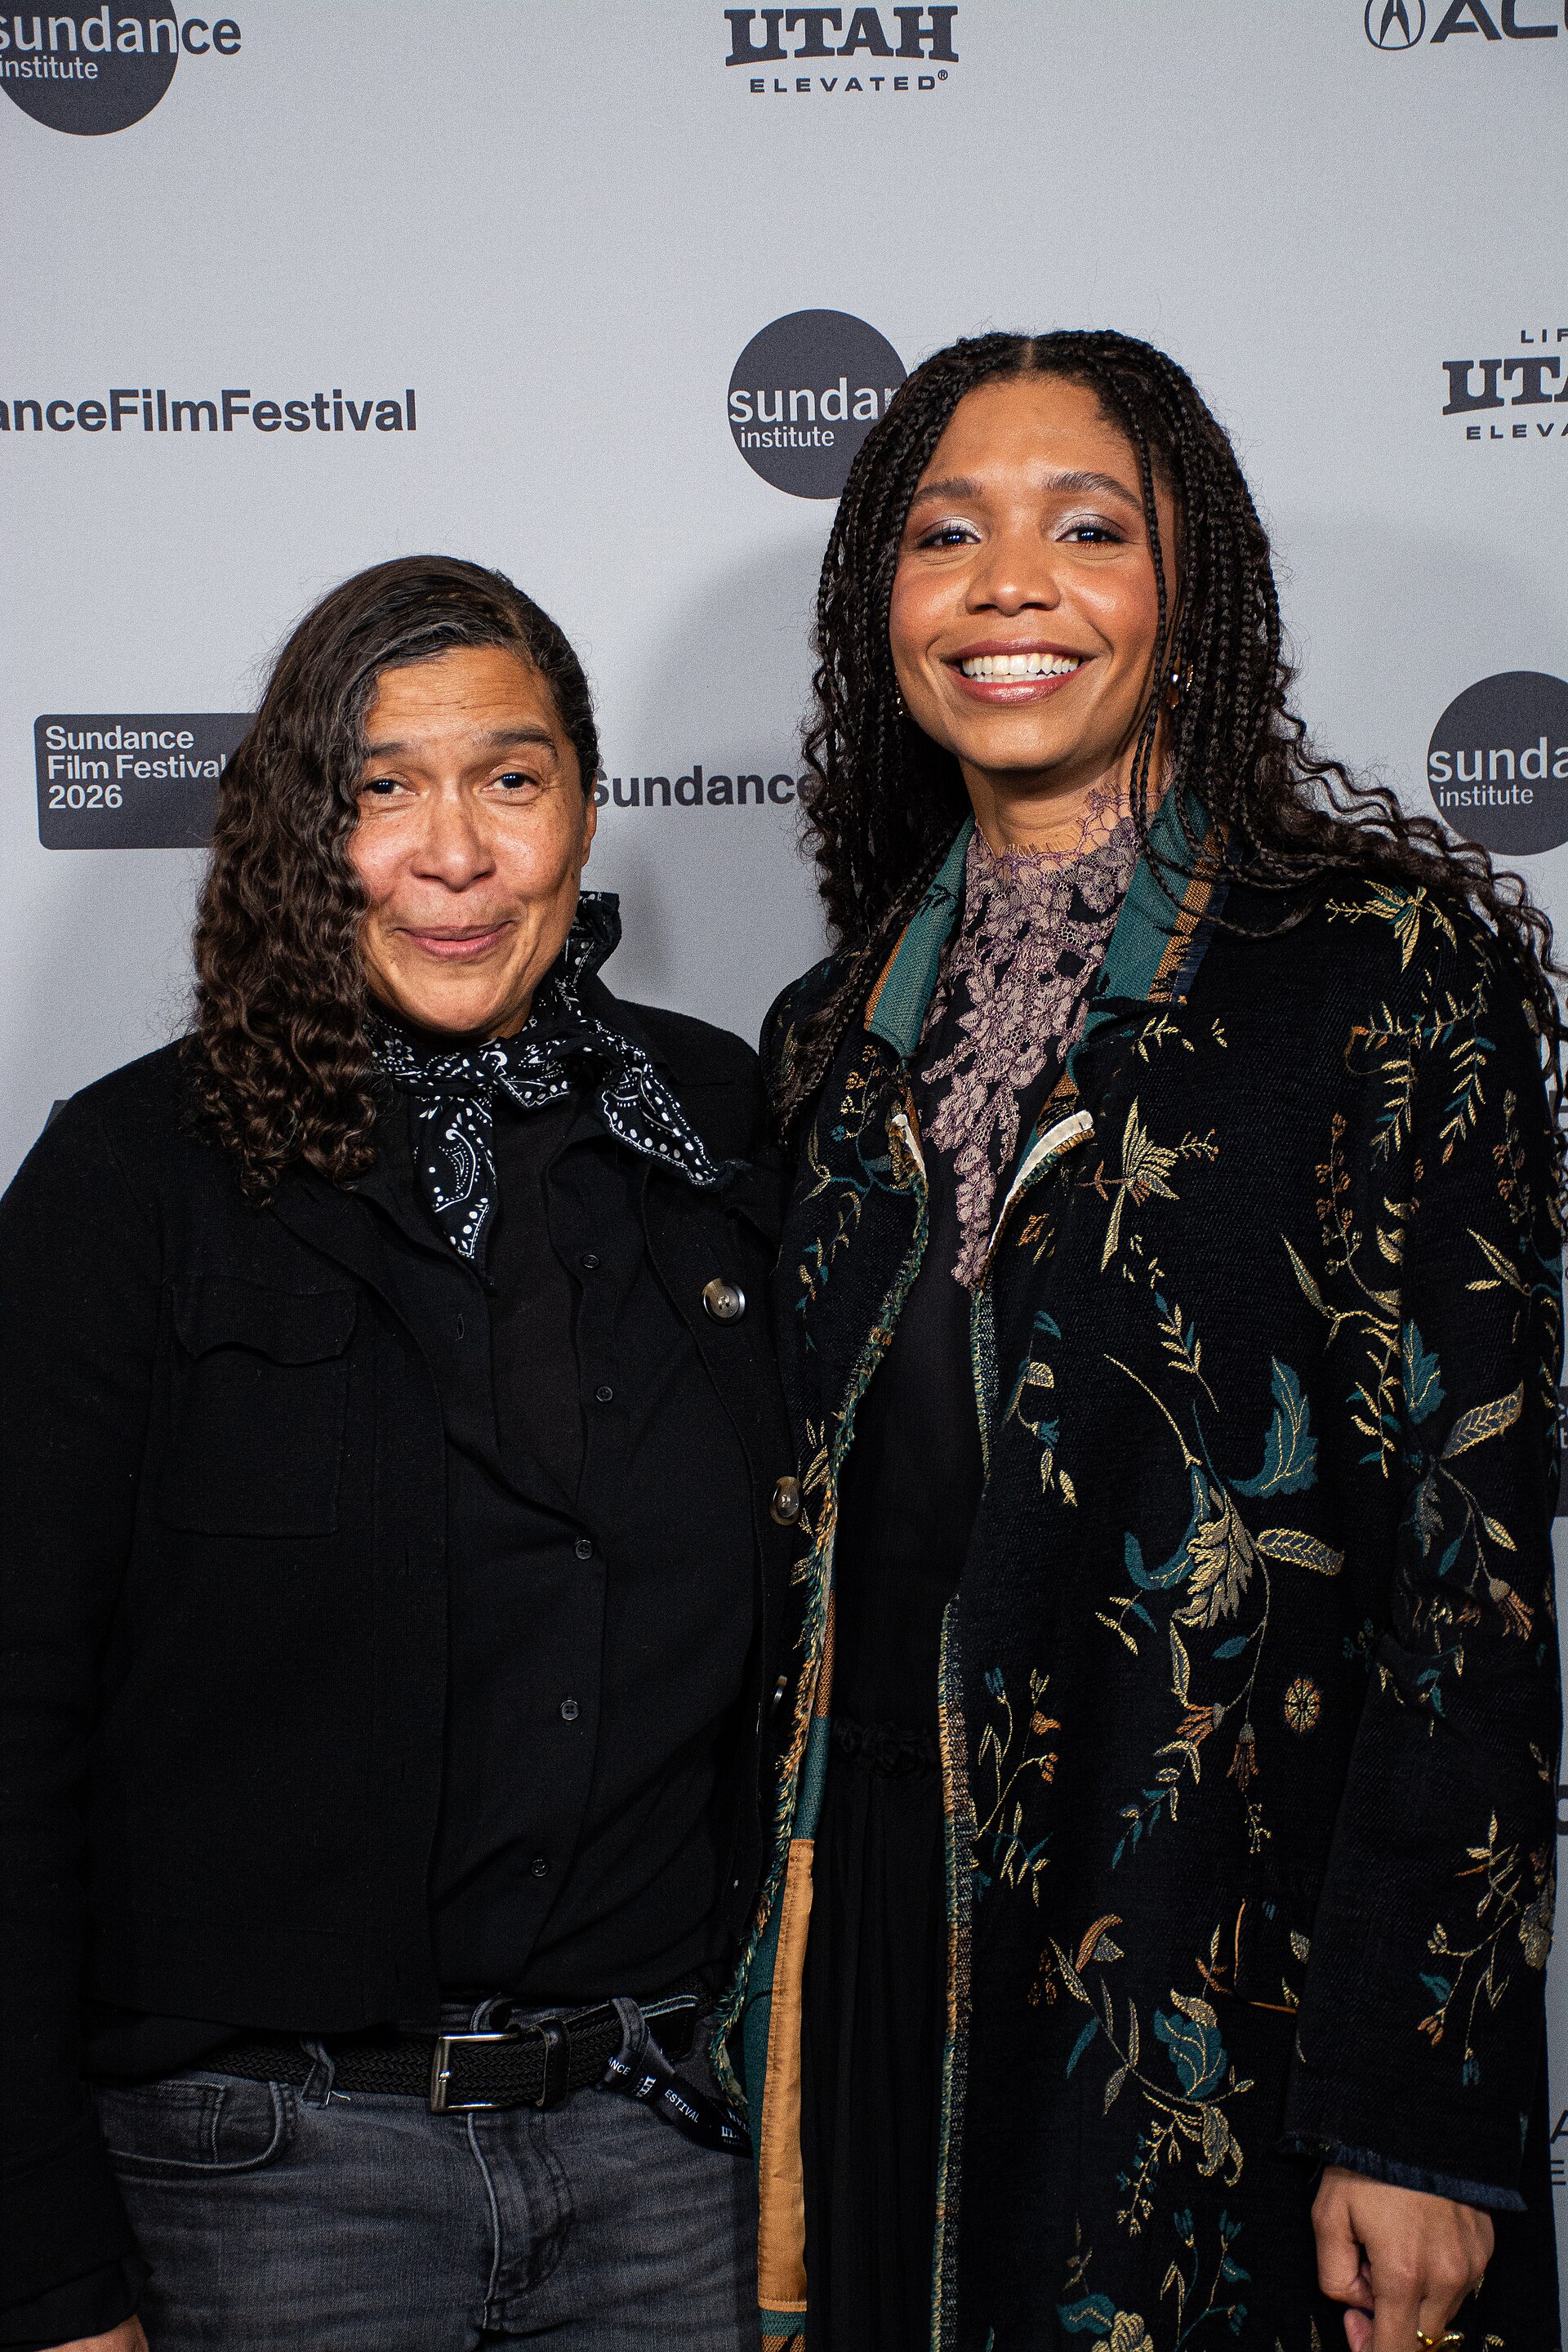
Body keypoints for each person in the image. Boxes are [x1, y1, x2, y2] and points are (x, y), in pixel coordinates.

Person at [717, 332, 1562, 2351]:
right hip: (887, 1958)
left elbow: (1480, 1584)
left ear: (1191, 593)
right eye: (947, 535)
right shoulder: (825, 1044)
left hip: (1236, 1982)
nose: (1012, 585)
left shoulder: (1377, 976)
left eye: (1087, 527)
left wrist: (1421, 2113)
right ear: (881, 609)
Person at [0, 555, 804, 2352]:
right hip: (266, 2181)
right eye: (381, 791)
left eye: (510, 782)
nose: (455, 854)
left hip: (665, 2161)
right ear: (302, 831)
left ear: (586, 810)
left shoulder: (727, 1137)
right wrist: (44, 2268)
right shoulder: (135, 1183)